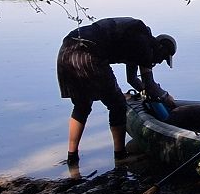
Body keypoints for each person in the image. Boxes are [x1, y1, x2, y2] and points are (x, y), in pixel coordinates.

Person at [57, 17, 177, 164]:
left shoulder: (137, 38)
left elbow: (132, 79)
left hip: (67, 50)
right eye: (163, 58)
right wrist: (166, 97)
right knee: (118, 105)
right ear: (161, 49)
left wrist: (143, 92)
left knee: (82, 105)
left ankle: (72, 157)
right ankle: (120, 156)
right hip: (88, 52)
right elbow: (150, 85)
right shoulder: (145, 46)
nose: (159, 62)